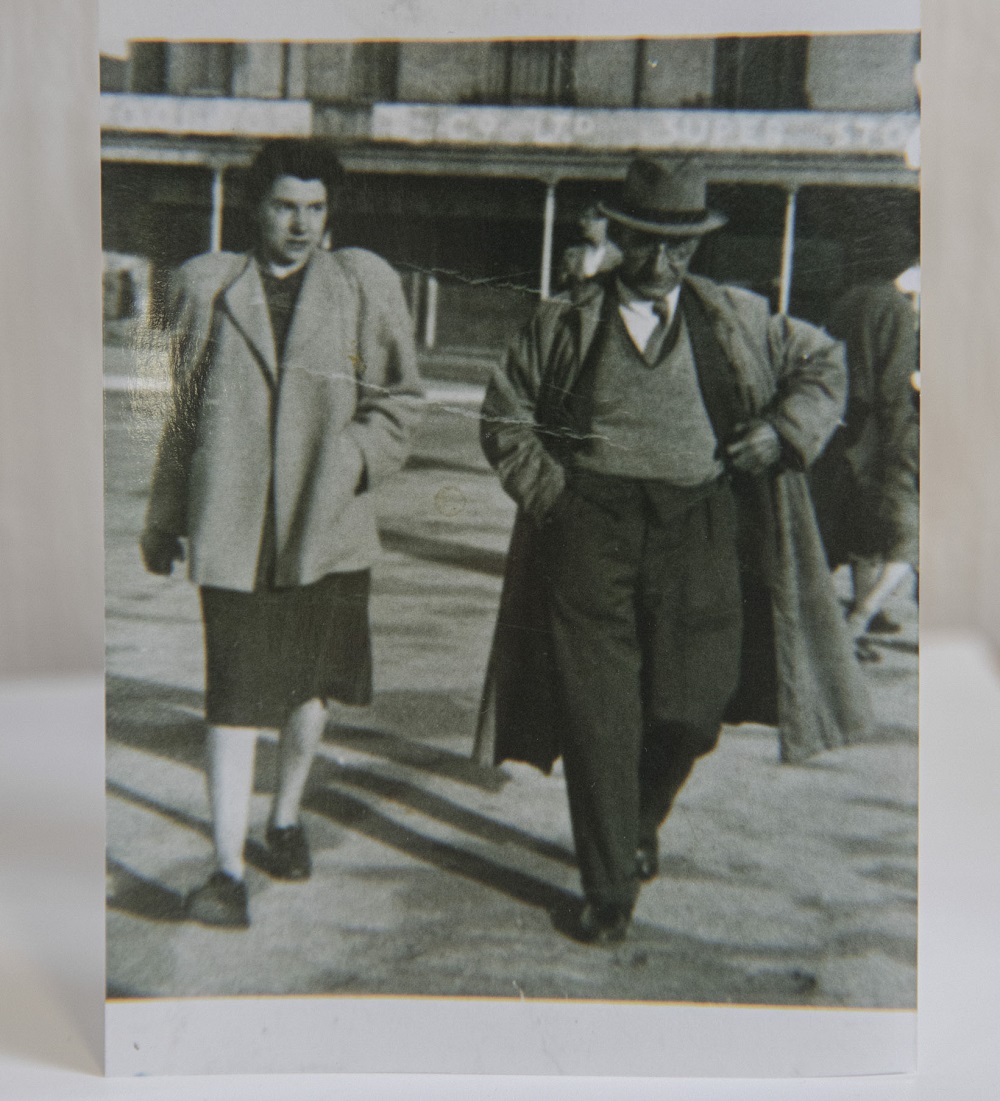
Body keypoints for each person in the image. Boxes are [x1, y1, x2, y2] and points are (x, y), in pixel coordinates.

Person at [477, 158, 868, 945]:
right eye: (647, 242)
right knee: (598, 717)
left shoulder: (736, 316)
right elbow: (504, 417)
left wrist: (782, 431)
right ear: (618, 236)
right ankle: (608, 890)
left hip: (701, 528)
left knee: (694, 706)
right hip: (591, 532)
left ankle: (636, 821)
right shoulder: (565, 321)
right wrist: (556, 498)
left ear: (697, 246)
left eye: (679, 246)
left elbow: (825, 363)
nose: (661, 262)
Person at [140, 139, 424, 928]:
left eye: (315, 208)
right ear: (255, 207)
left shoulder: (362, 285)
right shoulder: (209, 286)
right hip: (233, 527)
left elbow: (401, 398)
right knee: (233, 693)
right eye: (284, 206)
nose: (300, 225)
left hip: (326, 525)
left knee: (310, 687)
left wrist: (353, 459)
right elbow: (181, 415)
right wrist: (164, 518)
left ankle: (286, 816)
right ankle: (226, 871)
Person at [810, 261, 920, 659]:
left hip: (843, 428)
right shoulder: (896, 307)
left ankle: (856, 618)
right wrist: (899, 439)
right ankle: (853, 624)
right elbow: (893, 383)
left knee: (853, 531)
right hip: (880, 434)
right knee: (902, 535)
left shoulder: (847, 300)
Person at [556, 203, 623, 289]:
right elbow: (562, 285)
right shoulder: (571, 253)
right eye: (581, 218)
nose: (581, 222)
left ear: (603, 222)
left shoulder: (616, 256)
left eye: (587, 218)